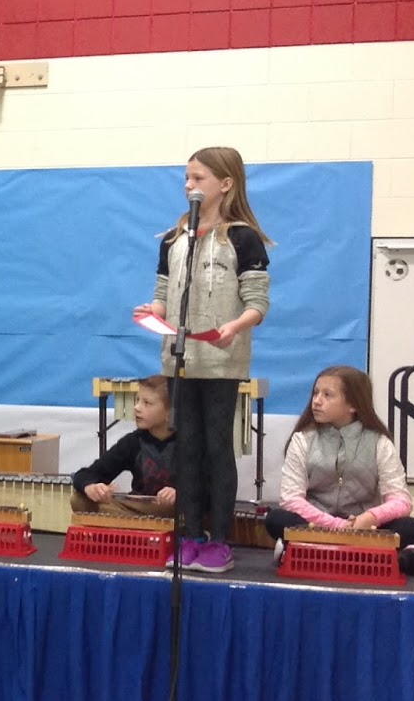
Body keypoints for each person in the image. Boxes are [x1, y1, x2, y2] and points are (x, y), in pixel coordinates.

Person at [135, 146, 271, 573]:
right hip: (179, 358)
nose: (189, 186)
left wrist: (235, 326)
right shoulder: (174, 239)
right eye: (187, 178)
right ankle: (190, 533)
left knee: (216, 447)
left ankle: (220, 540)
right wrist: (154, 311)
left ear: (226, 184)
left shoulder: (242, 238)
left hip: (220, 358)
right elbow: (163, 293)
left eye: (198, 178)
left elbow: (258, 302)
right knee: (187, 447)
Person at [267, 365, 414, 577]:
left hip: (365, 528)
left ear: (353, 404)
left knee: (412, 527)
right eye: (316, 393)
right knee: (276, 519)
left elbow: (401, 501)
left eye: (327, 395)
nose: (317, 401)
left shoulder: (379, 442)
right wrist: (338, 526)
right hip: (317, 526)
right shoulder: (302, 439)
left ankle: (306, 553)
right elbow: (291, 499)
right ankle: (382, 558)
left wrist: (368, 518)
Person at [70, 373, 176, 517]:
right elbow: (86, 474)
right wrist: (91, 487)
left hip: (176, 510)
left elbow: (205, 486)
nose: (137, 407)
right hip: (140, 509)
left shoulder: (189, 443)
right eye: (137, 400)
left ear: (170, 413)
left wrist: (180, 493)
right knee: (79, 500)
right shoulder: (133, 442)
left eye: (147, 403)